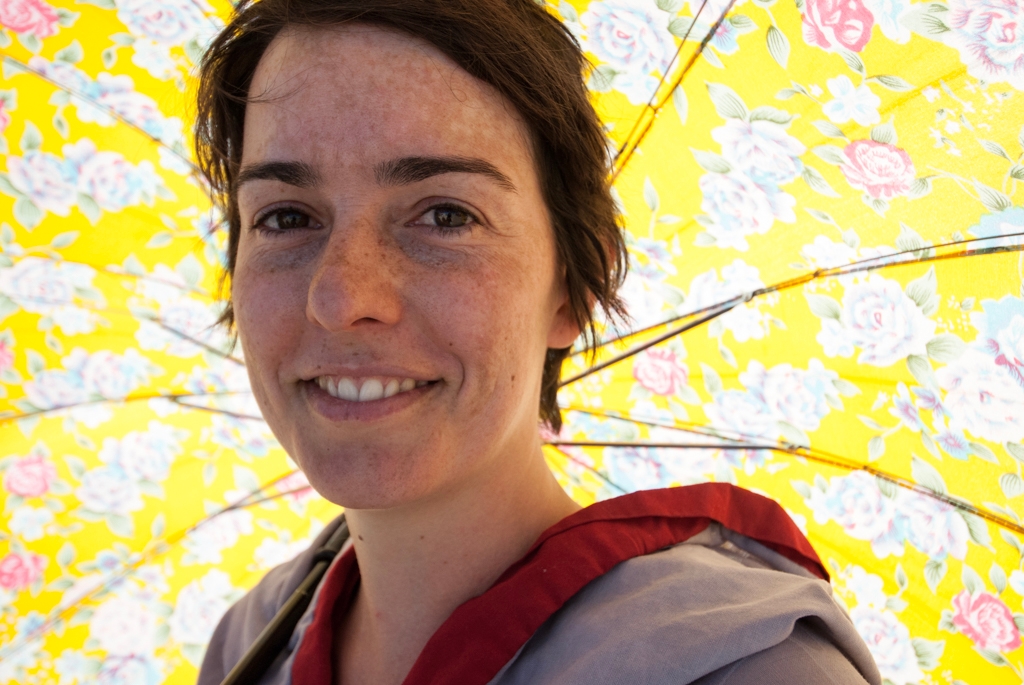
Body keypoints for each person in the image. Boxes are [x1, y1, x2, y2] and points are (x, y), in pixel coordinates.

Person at [194, 1, 881, 683]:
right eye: (285, 217)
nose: (341, 298)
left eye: (445, 215)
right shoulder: (247, 647)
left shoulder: (750, 668)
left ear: (574, 284)